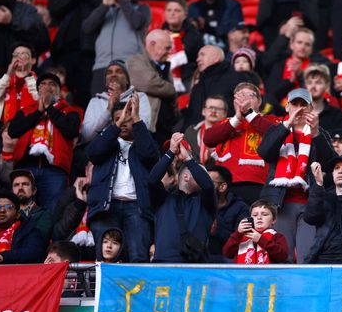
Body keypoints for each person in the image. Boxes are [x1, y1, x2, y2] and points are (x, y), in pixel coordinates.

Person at [257, 88, 335, 263]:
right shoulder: (277, 129)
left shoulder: (320, 133)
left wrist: (315, 134)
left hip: (309, 204)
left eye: (303, 105)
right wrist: (287, 125)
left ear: (311, 108)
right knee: (283, 256)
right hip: (280, 203)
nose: (299, 109)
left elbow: (330, 164)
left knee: (306, 257)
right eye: (295, 104)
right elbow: (265, 152)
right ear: (287, 107)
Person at [86, 94, 159, 262]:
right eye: (119, 119)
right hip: (106, 208)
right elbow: (93, 153)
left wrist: (137, 119)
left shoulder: (144, 143)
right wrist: (116, 126)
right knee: (105, 259)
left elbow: (151, 156)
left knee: (138, 258)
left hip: (137, 208)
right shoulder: (106, 142)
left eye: (128, 119)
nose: (124, 122)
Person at [7, 73, 82, 211]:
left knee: (51, 213)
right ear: (37, 90)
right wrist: (39, 111)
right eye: (43, 84)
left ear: (59, 92)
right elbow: (13, 131)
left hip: (54, 170)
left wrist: (50, 109)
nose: (47, 87)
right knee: (22, 210)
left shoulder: (70, 111)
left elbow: (71, 131)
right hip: (26, 167)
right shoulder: (26, 110)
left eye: (52, 84)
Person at [202, 82, 279, 204]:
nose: (245, 99)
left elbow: (276, 135)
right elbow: (208, 139)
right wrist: (237, 119)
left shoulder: (271, 120)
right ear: (234, 102)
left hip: (259, 185)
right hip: (226, 186)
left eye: (250, 95)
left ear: (259, 102)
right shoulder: (226, 123)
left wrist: (249, 114)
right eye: (240, 96)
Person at [149, 132, 217, 263]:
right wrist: (170, 153)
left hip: (195, 267)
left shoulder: (205, 202)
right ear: (186, 176)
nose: (205, 177)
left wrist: (188, 160)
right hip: (163, 263)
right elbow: (152, 180)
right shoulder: (163, 200)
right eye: (200, 172)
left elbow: (208, 186)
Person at [82, 0, 150, 95]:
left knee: (127, 108)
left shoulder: (141, 8)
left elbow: (137, 23)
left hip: (129, 67)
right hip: (102, 67)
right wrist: (105, 5)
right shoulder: (105, 10)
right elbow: (87, 27)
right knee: (100, 108)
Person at [48, 0, 103, 108]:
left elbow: (101, 5)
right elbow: (55, 10)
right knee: (63, 91)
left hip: (89, 52)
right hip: (65, 51)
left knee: (84, 93)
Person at [80, 60, 152, 143]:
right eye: (109, 72)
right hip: (102, 152)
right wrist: (108, 110)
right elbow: (86, 135)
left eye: (119, 71)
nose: (113, 74)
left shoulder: (139, 97)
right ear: (106, 82)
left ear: (127, 80)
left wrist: (118, 105)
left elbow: (144, 129)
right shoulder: (95, 102)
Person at [127, 29, 178, 144]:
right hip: (146, 128)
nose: (169, 52)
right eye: (167, 48)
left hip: (165, 128)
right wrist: (172, 90)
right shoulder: (136, 61)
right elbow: (150, 83)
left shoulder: (165, 67)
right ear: (152, 44)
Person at [185, 45, 252, 128]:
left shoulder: (236, 78)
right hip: (198, 137)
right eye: (198, 56)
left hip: (228, 134)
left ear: (216, 58)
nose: (198, 59)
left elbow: (248, 106)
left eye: (202, 55)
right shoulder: (197, 86)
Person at [0, 42, 37, 125]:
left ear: (33, 60)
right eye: (16, 54)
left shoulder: (40, 83)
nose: (19, 57)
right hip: (3, 131)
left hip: (30, 129)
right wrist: (7, 75)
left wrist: (28, 75)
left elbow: (40, 103)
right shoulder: (4, 81)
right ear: (11, 60)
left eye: (24, 54)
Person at [223, 199, 289, 264]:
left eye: (264, 214)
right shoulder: (240, 236)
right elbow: (227, 253)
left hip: (268, 274)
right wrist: (238, 233)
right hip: (243, 274)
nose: (259, 217)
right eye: (255, 215)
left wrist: (261, 240)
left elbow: (282, 256)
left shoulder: (277, 236)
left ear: (273, 220)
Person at [206, 164, 249, 260]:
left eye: (209, 182)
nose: (204, 185)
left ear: (222, 187)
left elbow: (243, 241)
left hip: (227, 260)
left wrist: (217, 230)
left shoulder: (241, 208)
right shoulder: (196, 204)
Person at [162, 0, 204, 93]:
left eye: (177, 10)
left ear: (185, 15)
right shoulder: (159, 33)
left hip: (187, 77)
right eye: (169, 10)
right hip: (163, 76)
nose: (172, 13)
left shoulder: (194, 35)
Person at [9, 168, 53, 242]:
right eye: (16, 185)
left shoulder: (44, 214)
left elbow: (39, 238)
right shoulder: (5, 212)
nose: (20, 188)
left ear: (34, 191)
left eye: (25, 184)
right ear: (12, 192)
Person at [184, 95, 228, 166]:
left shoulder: (229, 134)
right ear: (203, 111)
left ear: (225, 114)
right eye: (210, 107)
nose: (213, 111)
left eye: (218, 108)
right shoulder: (190, 132)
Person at [305, 64, 342, 132]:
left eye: (318, 83)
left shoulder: (337, 115)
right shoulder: (298, 114)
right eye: (309, 83)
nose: (313, 86)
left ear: (326, 86)